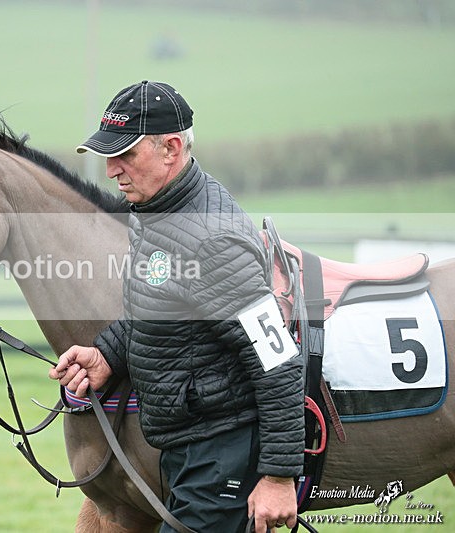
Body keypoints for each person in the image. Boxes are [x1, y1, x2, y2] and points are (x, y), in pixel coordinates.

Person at [49, 80, 305, 533]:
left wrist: (279, 477)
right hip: (186, 445)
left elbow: (278, 360)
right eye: (108, 155)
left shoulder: (212, 241)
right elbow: (158, 308)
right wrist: (107, 354)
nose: (110, 170)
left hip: (220, 453)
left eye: (125, 154)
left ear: (170, 148)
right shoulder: (155, 214)